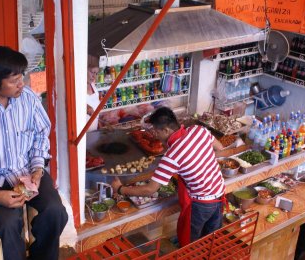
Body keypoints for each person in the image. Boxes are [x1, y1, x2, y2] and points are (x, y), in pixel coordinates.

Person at [0, 46, 68, 260]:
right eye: (14, 80)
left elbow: (41, 133)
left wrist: (38, 169)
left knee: (55, 212)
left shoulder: (28, 98)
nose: (22, 84)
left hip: (27, 170)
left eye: (22, 77)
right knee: (6, 225)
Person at [111, 107, 226, 246]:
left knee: (190, 245)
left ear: (166, 130)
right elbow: (220, 148)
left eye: (156, 131)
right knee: (211, 241)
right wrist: (201, 165)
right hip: (219, 194)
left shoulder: (172, 155)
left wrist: (120, 189)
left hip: (201, 204)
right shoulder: (198, 130)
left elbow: (150, 189)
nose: (154, 135)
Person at [87, 64, 100, 131]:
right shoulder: (78, 86)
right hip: (82, 133)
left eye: (96, 73)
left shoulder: (93, 86)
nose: (94, 76)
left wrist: (99, 124)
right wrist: (86, 107)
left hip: (93, 129)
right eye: (92, 72)